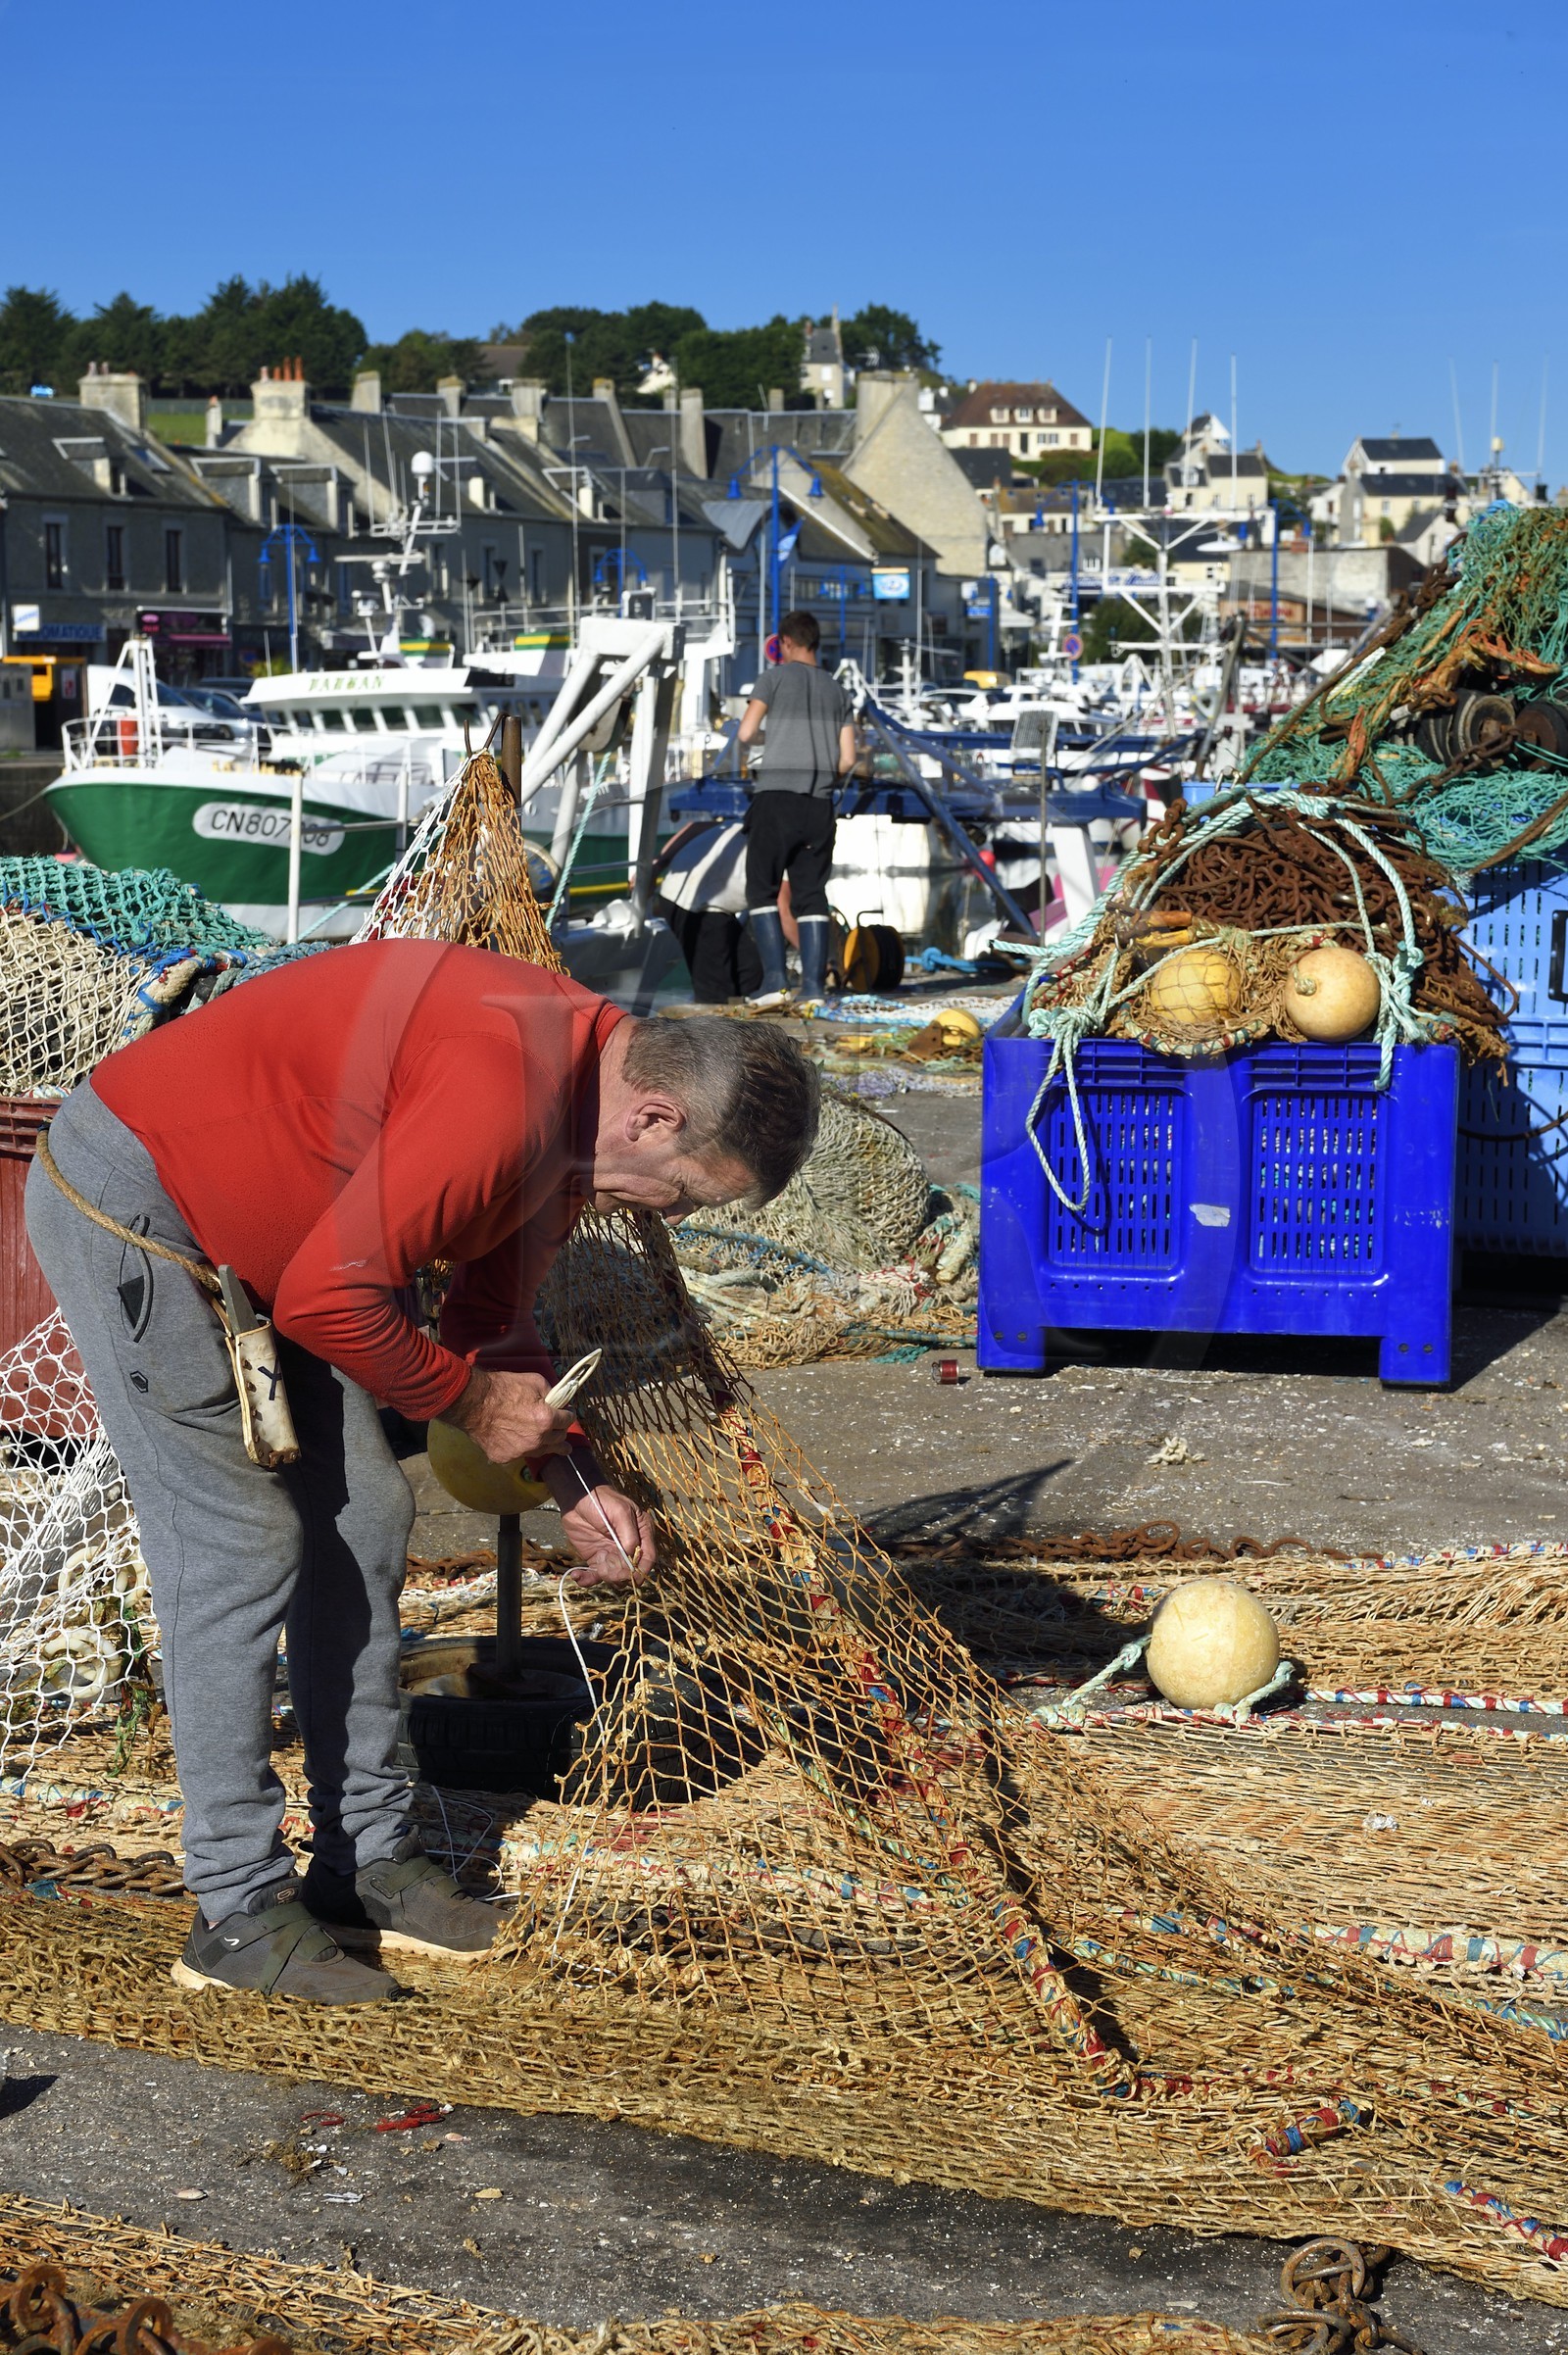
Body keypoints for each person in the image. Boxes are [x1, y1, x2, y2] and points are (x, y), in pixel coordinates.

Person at [25, 942, 819, 2005]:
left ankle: (365, 1859)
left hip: (293, 1251)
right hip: (141, 1211)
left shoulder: (576, 1120)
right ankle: (234, 1906)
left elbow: (489, 1324)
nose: (662, 1219)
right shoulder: (504, 1090)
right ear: (656, 1117)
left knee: (365, 1518)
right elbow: (330, 1306)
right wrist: (474, 1405)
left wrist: (577, 1489)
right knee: (239, 1539)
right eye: (680, 1197)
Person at [736, 610, 857, 1007]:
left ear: (785, 643)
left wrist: (778, 736)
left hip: (776, 799)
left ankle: (774, 982)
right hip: (819, 805)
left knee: (762, 889)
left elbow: (746, 732)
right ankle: (814, 990)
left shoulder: (773, 678)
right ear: (814, 642)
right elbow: (845, 760)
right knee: (811, 894)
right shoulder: (839, 692)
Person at [653, 818, 762, 1004]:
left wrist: (659, 864)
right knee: (715, 988)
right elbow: (785, 913)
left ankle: (739, 1017)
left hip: (712, 903)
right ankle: (715, 1022)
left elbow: (694, 827)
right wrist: (819, 966)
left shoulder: (744, 825)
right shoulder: (781, 846)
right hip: (691, 902)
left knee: (751, 971)